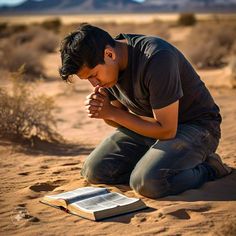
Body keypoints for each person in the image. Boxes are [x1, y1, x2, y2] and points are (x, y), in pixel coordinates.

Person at [59, 23, 231, 199]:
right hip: (152, 126)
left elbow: (167, 130)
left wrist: (111, 112)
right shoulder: (109, 69)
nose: (94, 84)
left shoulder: (157, 57)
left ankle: (210, 169)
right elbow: (116, 119)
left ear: (109, 54)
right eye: (88, 79)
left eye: (94, 75)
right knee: (94, 171)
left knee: (146, 183)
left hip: (197, 127)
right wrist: (105, 112)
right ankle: (152, 165)